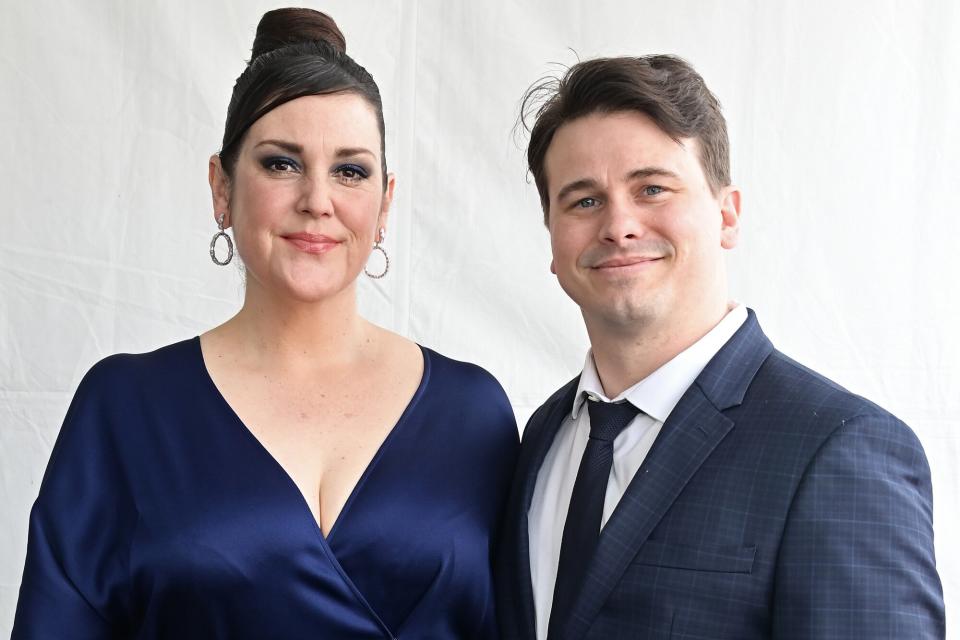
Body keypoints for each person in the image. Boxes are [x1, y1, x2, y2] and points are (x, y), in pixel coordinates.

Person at [12, 8, 518, 639]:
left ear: (385, 202)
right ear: (221, 188)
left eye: (350, 170)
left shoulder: (472, 412)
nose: (317, 199)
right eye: (282, 163)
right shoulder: (124, 408)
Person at [495, 54, 944, 639]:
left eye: (652, 188)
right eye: (583, 200)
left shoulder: (839, 448)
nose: (618, 225)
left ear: (727, 215)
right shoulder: (540, 437)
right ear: (553, 242)